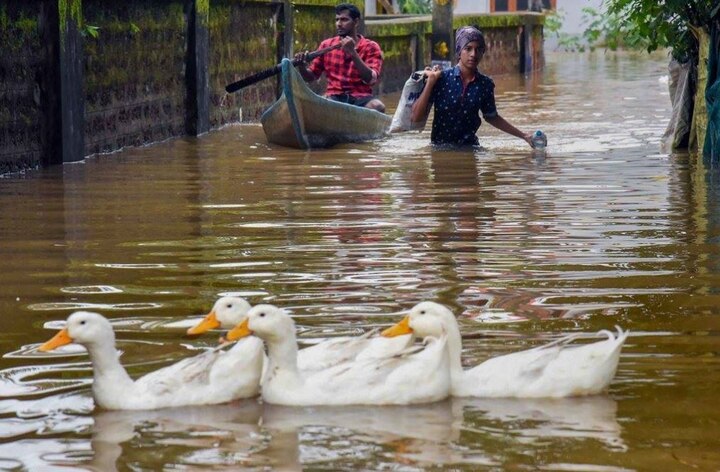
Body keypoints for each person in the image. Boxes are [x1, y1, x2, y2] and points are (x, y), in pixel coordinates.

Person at [410, 26, 534, 148]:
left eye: (478, 49)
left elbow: (492, 117)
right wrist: (430, 83)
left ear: (482, 52)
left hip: (470, 150)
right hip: (440, 150)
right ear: (459, 51)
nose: (473, 54)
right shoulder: (441, 79)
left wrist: (524, 136)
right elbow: (416, 117)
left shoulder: (485, 84)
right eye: (468, 49)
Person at [294, 3, 385, 112]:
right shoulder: (326, 45)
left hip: (360, 98)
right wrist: (302, 66)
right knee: (310, 107)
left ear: (356, 22)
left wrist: (353, 53)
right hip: (333, 97)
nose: (339, 24)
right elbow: (311, 76)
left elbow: (371, 79)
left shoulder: (370, 47)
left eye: (344, 20)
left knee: (378, 107)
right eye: (337, 20)